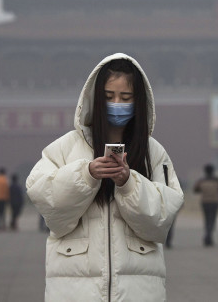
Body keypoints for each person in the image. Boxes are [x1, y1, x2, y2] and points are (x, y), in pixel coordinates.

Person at [26, 53, 184, 301]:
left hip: (137, 289)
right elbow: (45, 200)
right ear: (95, 99)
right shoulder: (66, 147)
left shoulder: (153, 152)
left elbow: (161, 219)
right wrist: (86, 175)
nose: (117, 103)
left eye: (126, 97)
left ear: (138, 101)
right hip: (75, 288)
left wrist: (128, 183)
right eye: (109, 97)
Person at [193, 164, 218, 247]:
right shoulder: (216, 180)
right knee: (212, 220)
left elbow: (195, 190)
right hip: (214, 202)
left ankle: (208, 236)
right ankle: (209, 237)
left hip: (205, 202)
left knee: (206, 220)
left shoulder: (202, 180)